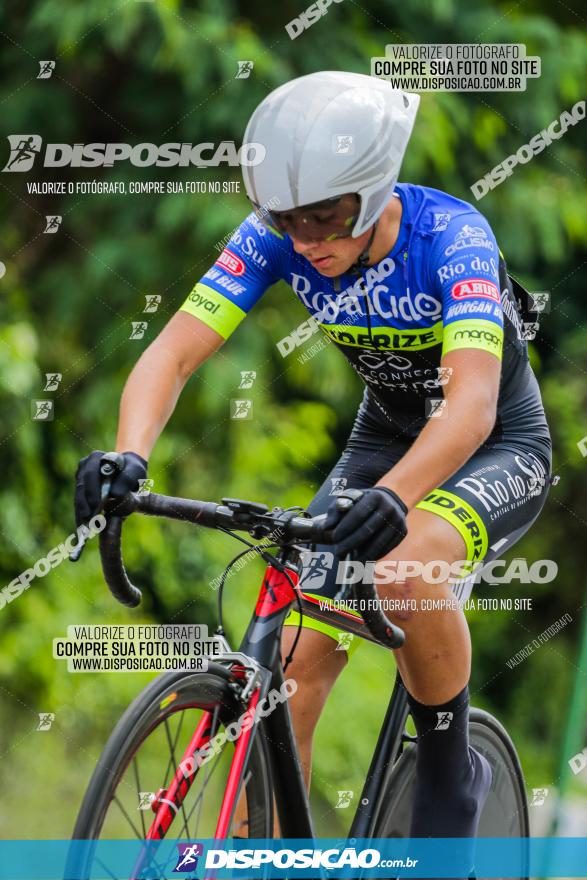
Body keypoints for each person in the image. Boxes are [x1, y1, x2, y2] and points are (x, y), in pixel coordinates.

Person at [74, 71, 552, 846]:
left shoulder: (454, 237)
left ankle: (447, 777)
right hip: (382, 441)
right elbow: (173, 356)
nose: (305, 241)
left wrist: (398, 499)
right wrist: (127, 456)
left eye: (325, 217)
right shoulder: (275, 237)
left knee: (403, 573)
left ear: (373, 189)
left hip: (493, 444)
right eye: (285, 219)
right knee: (287, 686)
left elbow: (471, 406)